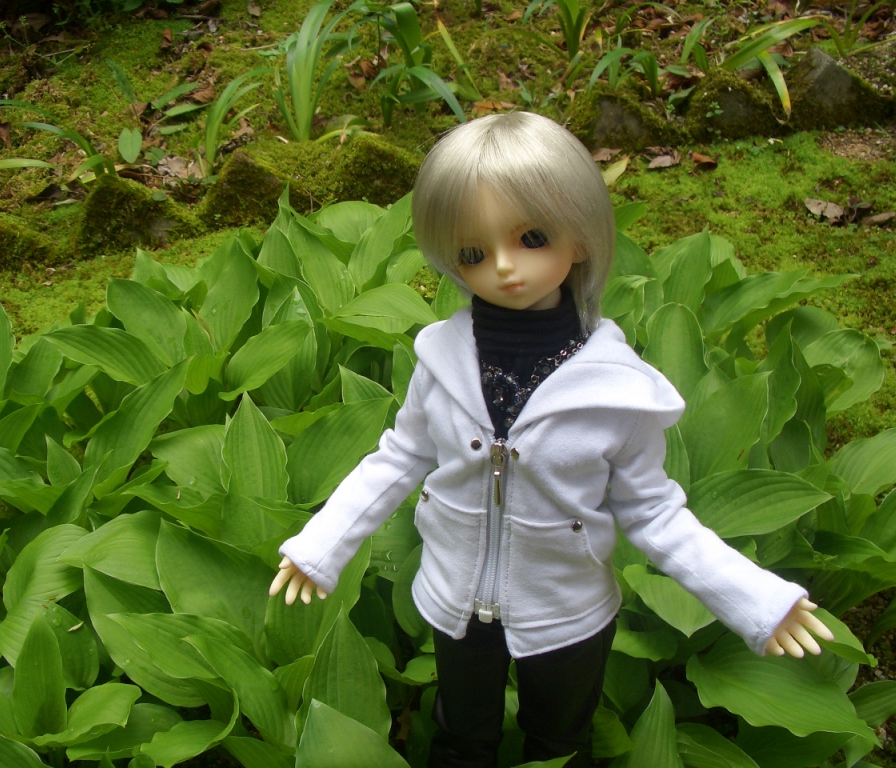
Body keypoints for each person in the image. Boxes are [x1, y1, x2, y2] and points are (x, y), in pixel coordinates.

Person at [269, 111, 833, 768]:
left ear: (581, 237)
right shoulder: (442, 361)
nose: (505, 268)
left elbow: (654, 513)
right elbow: (397, 457)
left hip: (569, 610)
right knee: (461, 736)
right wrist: (321, 546)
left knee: (561, 740)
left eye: (532, 238)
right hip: (456, 602)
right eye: (473, 253)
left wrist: (756, 600)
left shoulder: (617, 391)